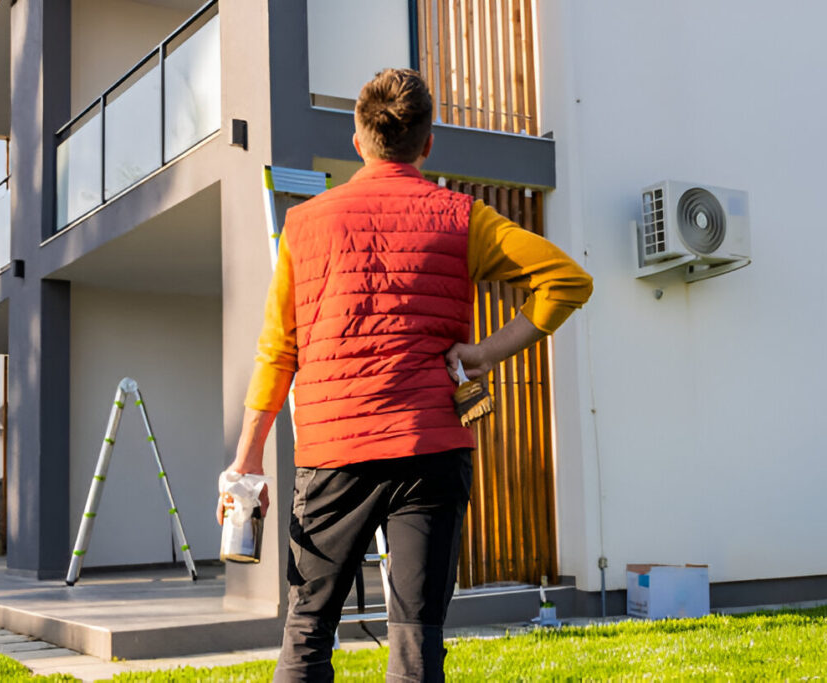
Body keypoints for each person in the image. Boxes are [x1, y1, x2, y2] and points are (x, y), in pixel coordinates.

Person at [218, 68, 593, 682]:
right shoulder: (463, 217)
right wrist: (489, 351)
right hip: (430, 448)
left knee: (307, 633)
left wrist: (247, 463)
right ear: (427, 144)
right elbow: (569, 280)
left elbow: (276, 352)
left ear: (358, 140)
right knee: (417, 643)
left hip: (332, 455)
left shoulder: (304, 226)